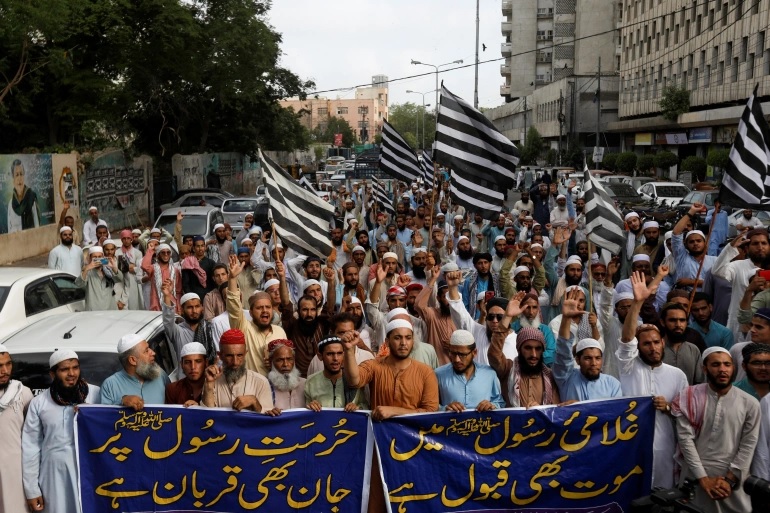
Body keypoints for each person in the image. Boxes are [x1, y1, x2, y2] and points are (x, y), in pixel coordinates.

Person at [618, 272, 689, 488]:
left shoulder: (677, 375)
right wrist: (638, 303)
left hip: (666, 448)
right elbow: (627, 339)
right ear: (639, 347)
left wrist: (668, 408)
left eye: (656, 342)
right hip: (632, 447)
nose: (653, 347)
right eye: (646, 343)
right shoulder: (629, 367)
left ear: (662, 342)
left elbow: (686, 416)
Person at [672, 347, 760, 513]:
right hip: (695, 476)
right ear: (704, 369)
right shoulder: (688, 397)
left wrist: (729, 480)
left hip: (732, 481)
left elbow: (748, 445)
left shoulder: (750, 404)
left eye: (727, 364)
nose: (722, 369)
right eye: (716, 364)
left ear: (733, 368)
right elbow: (685, 441)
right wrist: (704, 480)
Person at [22, 349, 100, 513]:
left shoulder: (95, 394)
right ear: (53, 374)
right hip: (53, 477)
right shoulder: (39, 403)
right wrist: (32, 490)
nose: (72, 374)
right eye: (65, 369)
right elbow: (31, 448)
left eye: (75, 368)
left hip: (90, 471)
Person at [553, 288, 622, 402]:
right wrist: (566, 318)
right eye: (588, 358)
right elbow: (563, 352)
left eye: (598, 358)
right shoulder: (566, 378)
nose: (594, 363)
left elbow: (614, 413)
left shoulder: (612, 384)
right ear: (578, 360)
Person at [226, 259, 287, 376]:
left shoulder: (280, 331)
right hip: (252, 389)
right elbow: (234, 308)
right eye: (259, 308)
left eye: (268, 307)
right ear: (251, 312)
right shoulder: (244, 328)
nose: (265, 310)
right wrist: (233, 279)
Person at [201, 329, 273, 412]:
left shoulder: (261, 382)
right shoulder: (212, 381)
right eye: (229, 356)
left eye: (239, 355)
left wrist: (255, 402)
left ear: (245, 354)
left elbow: (267, 420)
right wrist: (209, 385)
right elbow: (208, 416)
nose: (235, 362)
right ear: (220, 355)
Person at [712, 228, 769, 331]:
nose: (760, 247)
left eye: (764, 243)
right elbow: (717, 271)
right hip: (738, 326)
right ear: (746, 248)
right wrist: (730, 247)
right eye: (755, 243)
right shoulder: (738, 266)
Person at [0, 344, 34, 512]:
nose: (5, 370)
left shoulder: (23, 393)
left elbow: (34, 435)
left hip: (16, 472)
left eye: (8, 364)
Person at [435, 330, 504, 411]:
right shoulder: (439, 374)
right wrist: (445, 408)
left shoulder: (489, 374)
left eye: (462, 355)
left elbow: (500, 403)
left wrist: (492, 405)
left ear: (474, 352)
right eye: (453, 353)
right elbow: (431, 406)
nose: (457, 359)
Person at [100, 334, 170, 407]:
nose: (153, 353)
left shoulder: (160, 374)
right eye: (146, 351)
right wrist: (122, 401)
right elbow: (104, 416)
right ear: (133, 360)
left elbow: (173, 404)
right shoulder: (110, 385)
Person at [305, 336, 368, 412]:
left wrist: (357, 408)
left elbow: (365, 406)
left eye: (339, 353)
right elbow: (305, 413)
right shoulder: (311, 382)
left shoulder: (353, 379)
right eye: (330, 354)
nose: (336, 358)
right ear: (320, 356)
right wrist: (311, 406)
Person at [162, 287, 218, 365]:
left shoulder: (210, 328)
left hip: (208, 374)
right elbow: (168, 320)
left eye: (197, 306)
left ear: (202, 307)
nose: (194, 311)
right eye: (190, 307)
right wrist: (167, 296)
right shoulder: (178, 331)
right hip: (185, 376)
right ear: (182, 310)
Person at [264, 339, 306, 414]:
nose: (285, 364)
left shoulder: (306, 384)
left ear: (294, 360)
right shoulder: (264, 386)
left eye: (289, 359)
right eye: (280, 360)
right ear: (271, 361)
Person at [76, 246, 123, 311]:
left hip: (110, 309)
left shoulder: (108, 270)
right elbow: (79, 284)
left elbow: (120, 279)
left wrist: (114, 267)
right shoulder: (88, 272)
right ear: (90, 258)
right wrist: (87, 269)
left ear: (103, 257)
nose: (98, 259)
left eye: (99, 257)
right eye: (95, 257)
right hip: (94, 311)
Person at [142, 240, 182, 312]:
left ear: (170, 255)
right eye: (163, 252)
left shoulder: (175, 270)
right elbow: (144, 266)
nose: (166, 254)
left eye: (168, 252)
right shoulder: (153, 268)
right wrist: (150, 250)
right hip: (156, 305)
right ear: (158, 255)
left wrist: (179, 307)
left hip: (172, 305)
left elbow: (178, 291)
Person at [7, 159, 40, 232]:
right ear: (13, 179)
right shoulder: (11, 204)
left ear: (24, 176)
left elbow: (37, 225)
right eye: (16, 175)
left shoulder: (31, 198)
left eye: (21, 174)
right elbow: (9, 229)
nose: (19, 178)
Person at [116, 229, 145, 310]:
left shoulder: (137, 253)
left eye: (128, 238)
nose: (126, 240)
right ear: (121, 240)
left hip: (134, 282)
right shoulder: (117, 252)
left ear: (131, 239)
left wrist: (134, 268)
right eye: (124, 238)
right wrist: (130, 267)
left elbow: (140, 269)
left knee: (135, 304)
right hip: (121, 281)